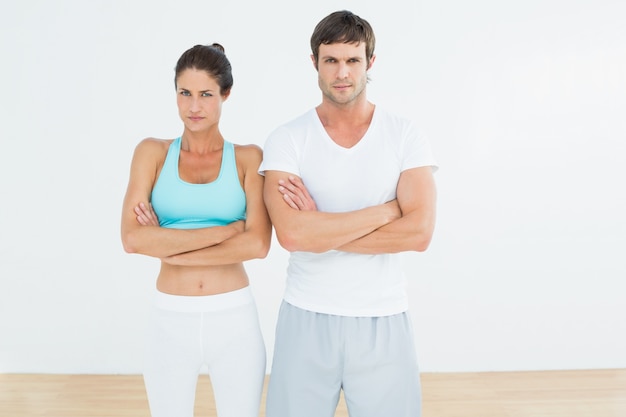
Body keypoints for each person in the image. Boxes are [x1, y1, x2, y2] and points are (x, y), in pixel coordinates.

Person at [259, 10, 438, 417]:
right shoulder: (288, 138)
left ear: (369, 62)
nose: (342, 72)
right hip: (306, 315)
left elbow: (419, 234)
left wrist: (320, 228)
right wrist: (388, 211)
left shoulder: (405, 134)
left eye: (352, 60)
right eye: (331, 60)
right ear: (314, 63)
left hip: (383, 317)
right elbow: (292, 236)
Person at [120, 43, 271, 417]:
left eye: (206, 94)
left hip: (234, 318)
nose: (194, 106)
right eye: (184, 93)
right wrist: (223, 231)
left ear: (226, 94)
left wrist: (170, 246)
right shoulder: (151, 154)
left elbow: (258, 244)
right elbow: (133, 238)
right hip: (169, 320)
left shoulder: (249, 158)